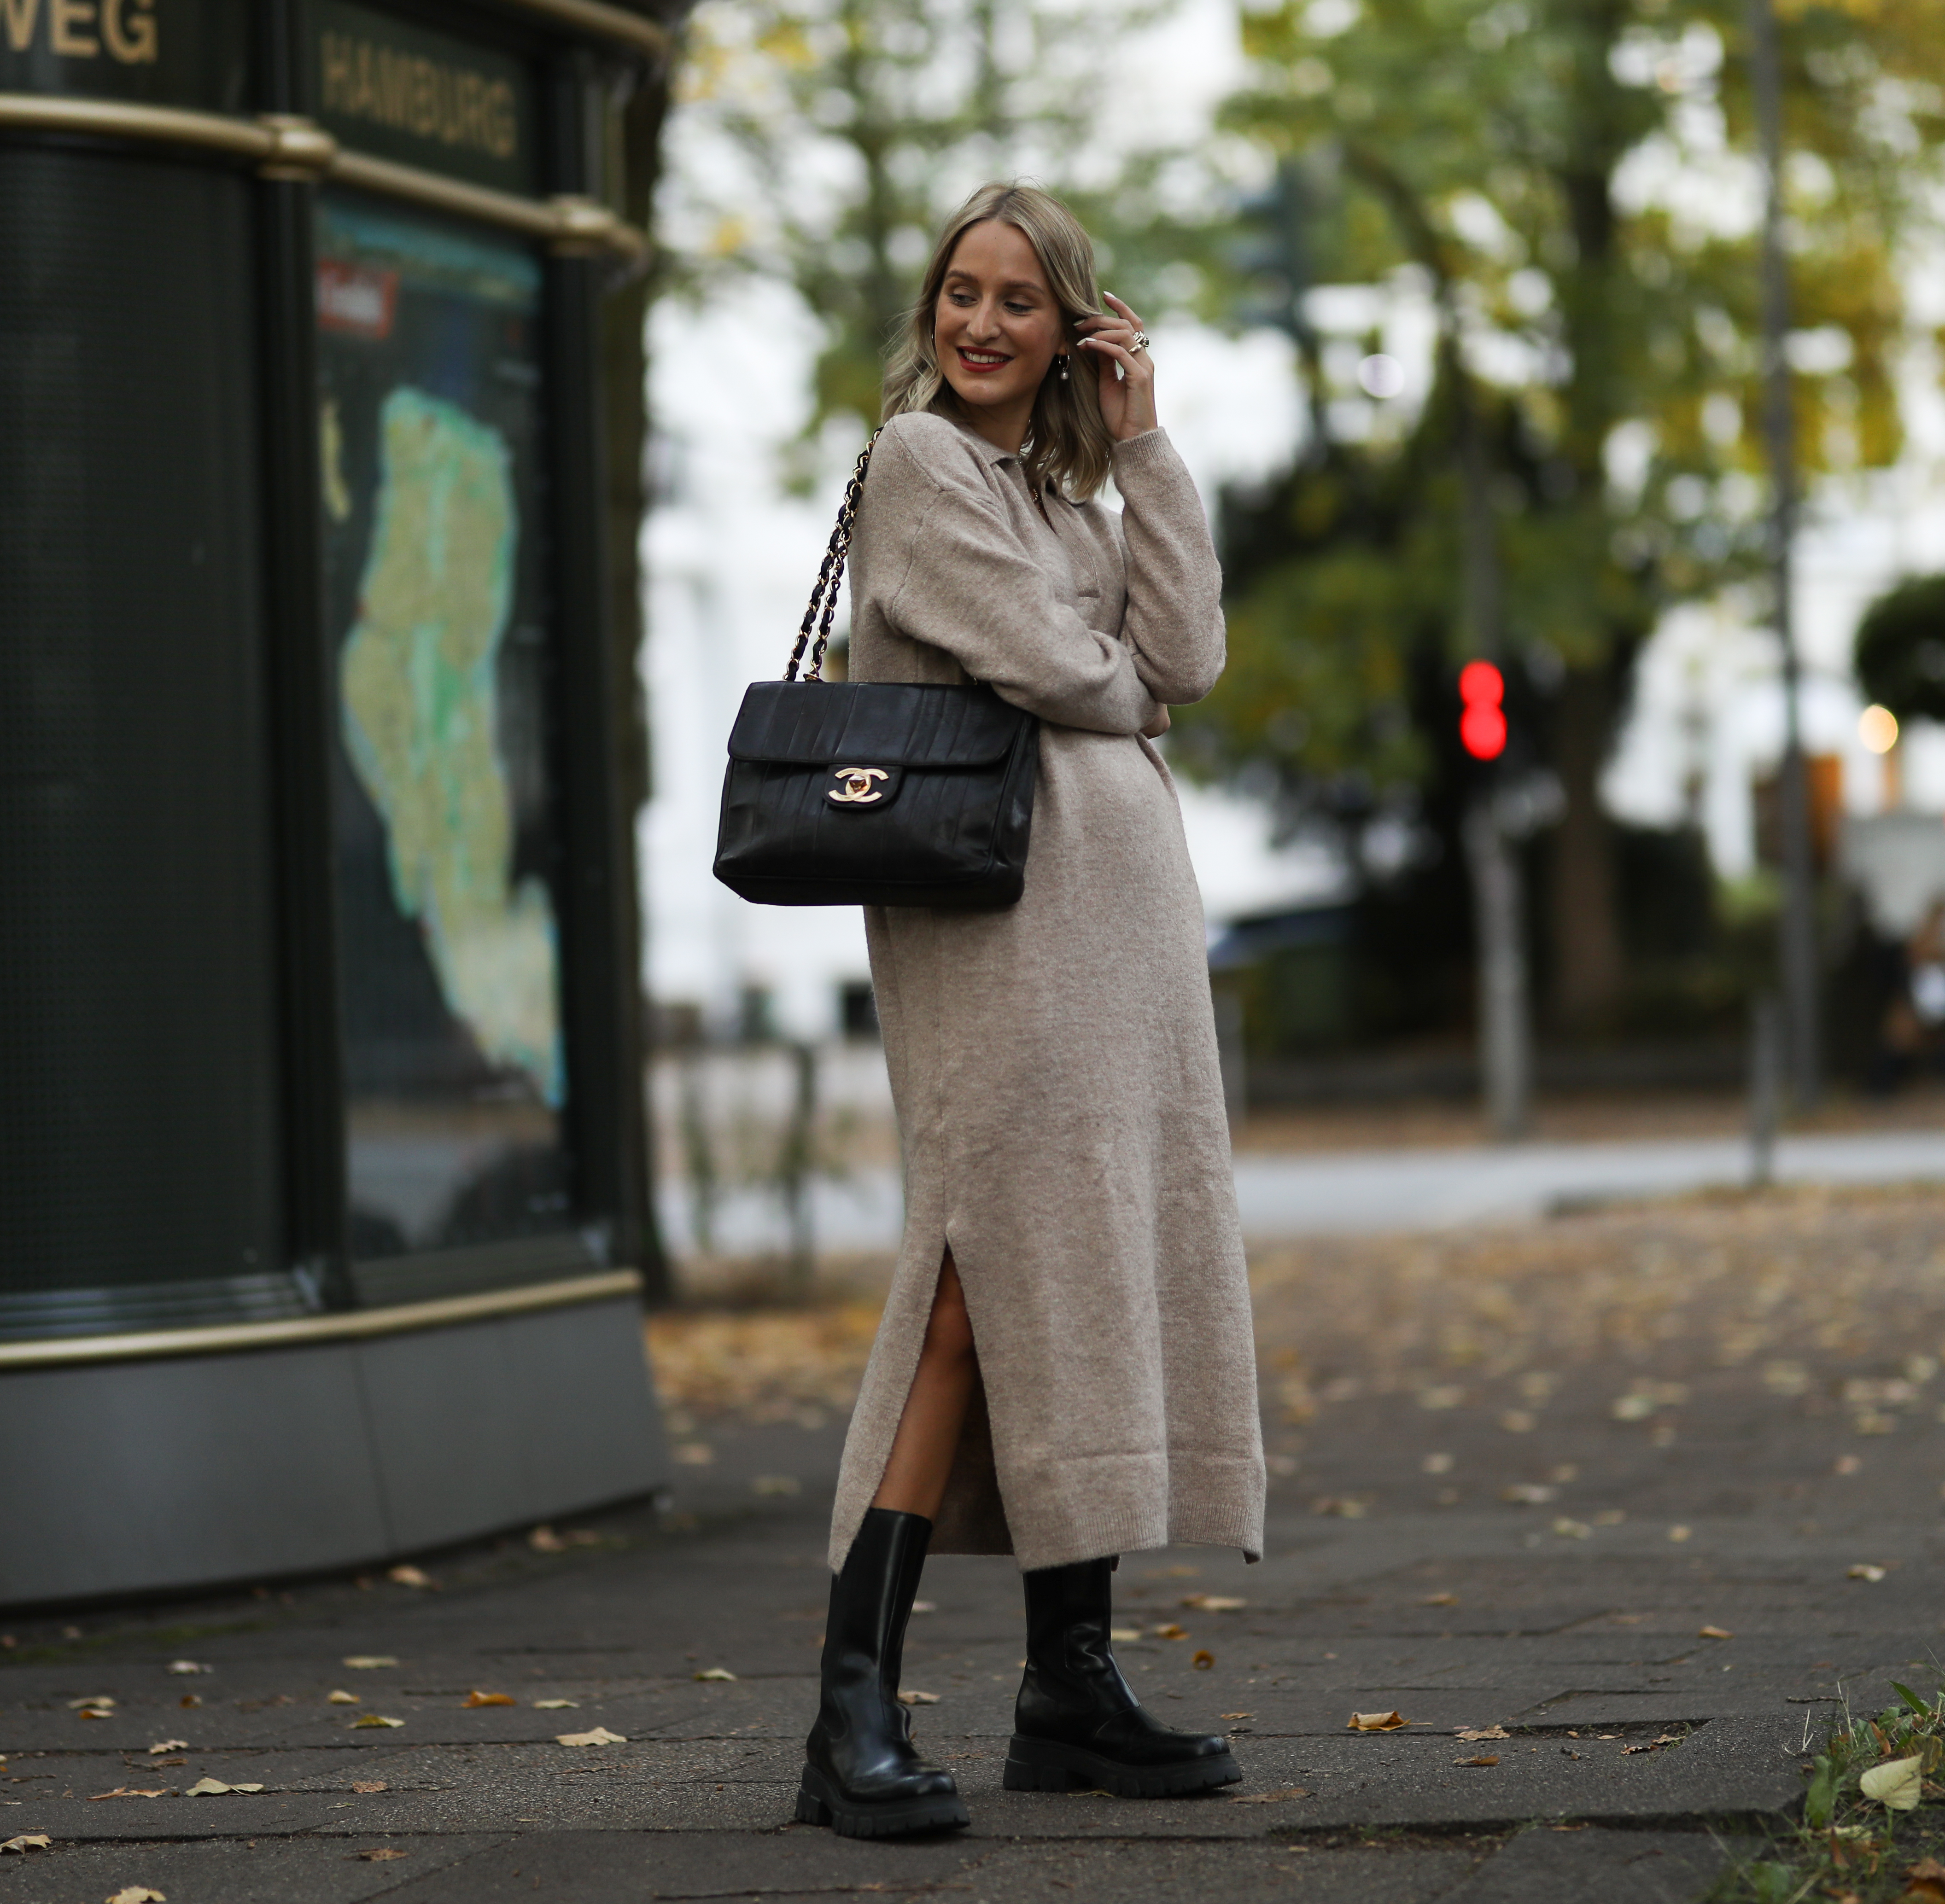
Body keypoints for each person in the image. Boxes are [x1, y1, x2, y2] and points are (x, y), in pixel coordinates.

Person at [794, 181, 1266, 1841]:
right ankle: (849, 1709)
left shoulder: (1071, 496)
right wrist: (1114, 675)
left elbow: (1185, 651)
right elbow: (1076, 676)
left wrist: (1147, 450)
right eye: (960, 292)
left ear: (1072, 330)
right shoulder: (919, 465)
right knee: (970, 1281)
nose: (979, 324)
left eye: (1017, 303)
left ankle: (1071, 1689)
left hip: (1120, 945)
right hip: (998, 932)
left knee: (1090, 1270)